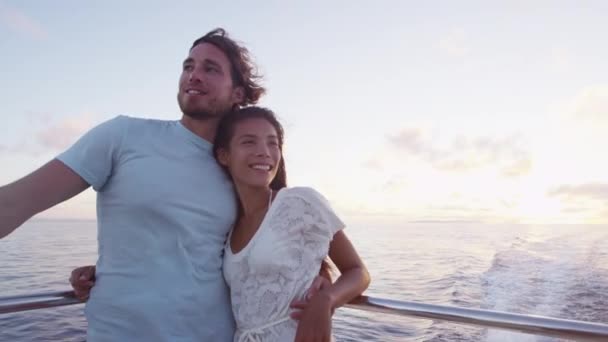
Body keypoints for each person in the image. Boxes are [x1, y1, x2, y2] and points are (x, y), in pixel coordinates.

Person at [1, 28, 326, 342]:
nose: (194, 75)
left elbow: (277, 253)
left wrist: (324, 292)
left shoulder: (240, 169)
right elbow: (15, 202)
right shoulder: (122, 136)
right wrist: (111, 267)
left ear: (237, 93)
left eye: (210, 69)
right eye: (188, 66)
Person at [73, 106, 371, 341]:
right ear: (224, 155)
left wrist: (326, 301)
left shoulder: (301, 202)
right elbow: (188, 265)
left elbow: (358, 272)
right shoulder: (228, 224)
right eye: (249, 142)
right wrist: (101, 273)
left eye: (273, 143)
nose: (264, 152)